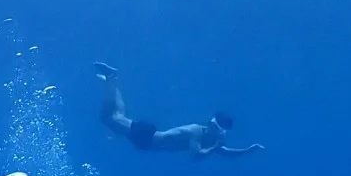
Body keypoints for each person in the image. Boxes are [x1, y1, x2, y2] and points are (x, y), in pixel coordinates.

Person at [96, 63, 262, 158]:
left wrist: (248, 150)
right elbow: (195, 155)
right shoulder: (197, 132)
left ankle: (111, 81)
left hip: (147, 141)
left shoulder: (212, 138)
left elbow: (225, 153)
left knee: (117, 116)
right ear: (213, 126)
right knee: (109, 118)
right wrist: (214, 147)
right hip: (148, 136)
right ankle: (112, 79)